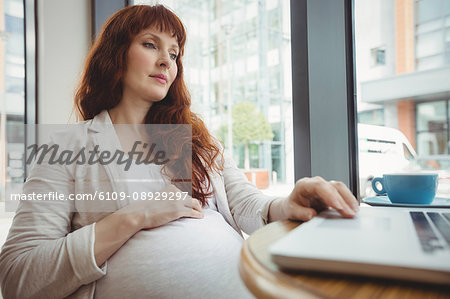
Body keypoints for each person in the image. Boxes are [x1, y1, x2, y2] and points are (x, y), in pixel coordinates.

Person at [0, 5, 359, 299]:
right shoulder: (66, 146)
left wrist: (286, 204)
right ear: (116, 55)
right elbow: (18, 276)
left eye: (174, 53)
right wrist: (132, 217)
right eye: (151, 45)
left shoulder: (197, 140)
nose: (166, 61)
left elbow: (245, 204)